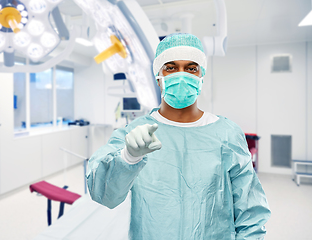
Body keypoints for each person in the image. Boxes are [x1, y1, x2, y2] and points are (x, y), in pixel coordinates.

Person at [86, 33, 271, 239]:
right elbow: (103, 194)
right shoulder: (135, 134)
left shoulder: (227, 134)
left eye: (191, 68)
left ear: (201, 77)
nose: (181, 75)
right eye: (171, 67)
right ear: (158, 77)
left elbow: (250, 211)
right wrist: (128, 157)